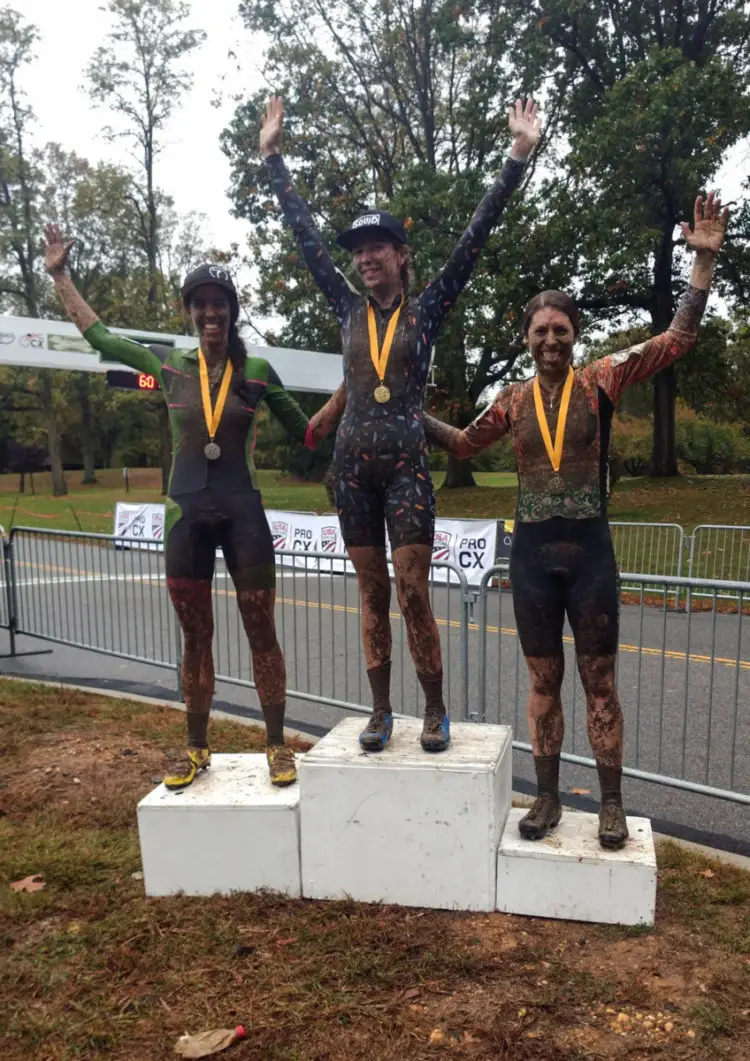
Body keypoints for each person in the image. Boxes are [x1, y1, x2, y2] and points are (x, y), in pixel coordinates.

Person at [423, 193, 729, 848]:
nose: (552, 339)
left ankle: (612, 803)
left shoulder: (601, 381)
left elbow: (677, 339)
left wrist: (700, 266)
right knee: (542, 683)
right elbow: (459, 444)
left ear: (574, 334)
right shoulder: (509, 401)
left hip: (590, 556)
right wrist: (401, 407)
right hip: (533, 560)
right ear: (526, 339)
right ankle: (548, 799)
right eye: (541, 331)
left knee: (599, 684)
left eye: (561, 329)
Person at [260, 95, 541, 754]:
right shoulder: (344, 307)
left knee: (413, 592)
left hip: (409, 469)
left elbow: (477, 235)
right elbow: (303, 234)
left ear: (400, 253)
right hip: (352, 471)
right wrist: (273, 158)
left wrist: (517, 154)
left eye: (377, 246)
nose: (366, 258)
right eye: (359, 250)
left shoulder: (429, 307)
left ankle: (435, 708)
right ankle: (381, 709)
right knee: (370, 592)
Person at [44, 225, 318, 789]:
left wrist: (357, 392)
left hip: (244, 512)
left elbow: (310, 435)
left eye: (219, 304)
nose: (210, 313)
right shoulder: (169, 365)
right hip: (185, 514)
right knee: (195, 637)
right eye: (200, 305)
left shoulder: (259, 372)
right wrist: (59, 275)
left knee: (261, 630)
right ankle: (196, 747)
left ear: (231, 312)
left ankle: (275, 745)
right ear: (190, 312)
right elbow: (100, 338)